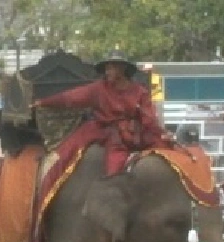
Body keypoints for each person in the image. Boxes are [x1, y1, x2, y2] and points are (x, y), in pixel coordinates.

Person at [33, 50, 169, 176]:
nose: (107, 72)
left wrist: (161, 134)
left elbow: (149, 119)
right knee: (111, 165)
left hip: (134, 133)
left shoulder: (140, 92)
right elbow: (72, 97)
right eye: (106, 68)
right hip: (108, 133)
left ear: (122, 69)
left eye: (111, 68)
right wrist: (44, 102)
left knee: (167, 150)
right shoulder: (99, 88)